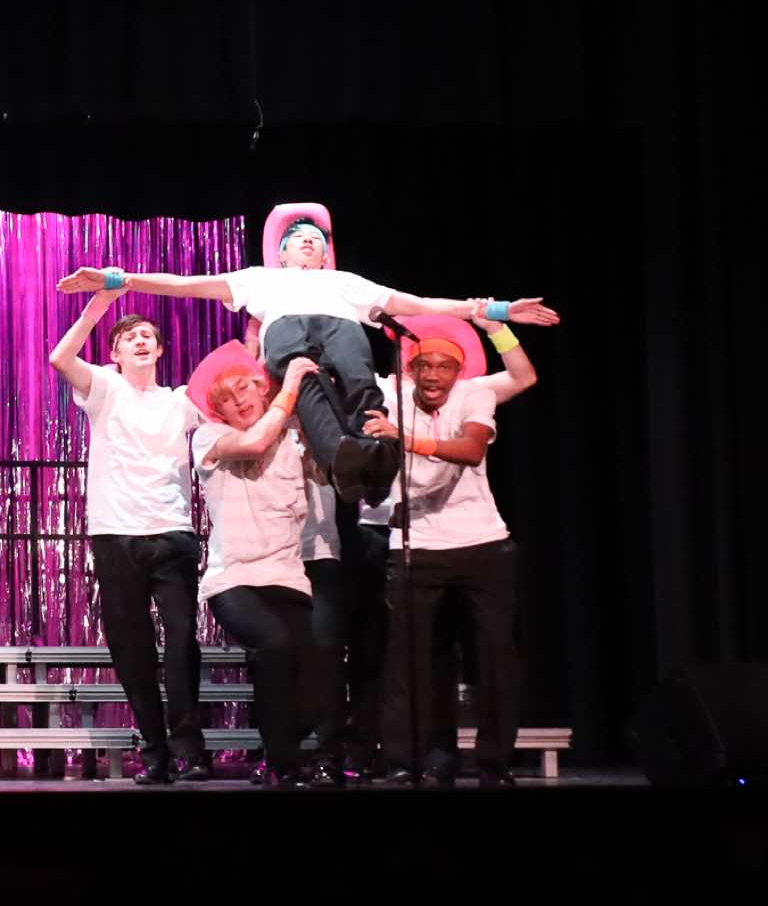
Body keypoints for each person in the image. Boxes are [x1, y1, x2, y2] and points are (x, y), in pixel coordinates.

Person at [58, 202, 557, 503]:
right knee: (309, 386)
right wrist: (120, 279)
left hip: (341, 326)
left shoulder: (346, 282)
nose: (306, 243)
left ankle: (378, 456)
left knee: (358, 379)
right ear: (280, 253)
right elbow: (186, 284)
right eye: (296, 239)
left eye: (315, 240)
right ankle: (340, 458)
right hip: (286, 331)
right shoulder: (260, 279)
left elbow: (421, 304)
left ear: (325, 255)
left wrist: (495, 310)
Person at [47, 281, 207, 784]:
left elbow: (234, 395)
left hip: (172, 533)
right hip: (116, 535)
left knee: (182, 640)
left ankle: (189, 750)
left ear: (159, 351)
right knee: (133, 651)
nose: (140, 341)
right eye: (129, 338)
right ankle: (155, 751)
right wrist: (101, 304)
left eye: (147, 337)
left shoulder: (181, 401)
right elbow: (60, 357)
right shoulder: (105, 388)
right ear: (115, 355)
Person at [364, 314, 526, 788]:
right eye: (424, 366)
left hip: (483, 544)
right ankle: (408, 760)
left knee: (495, 655)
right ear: (410, 369)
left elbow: (472, 449)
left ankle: (495, 764)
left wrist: (497, 325)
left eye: (444, 367)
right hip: (418, 544)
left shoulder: (474, 395)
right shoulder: (391, 396)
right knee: (410, 660)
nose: (433, 376)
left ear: (458, 371)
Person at [186, 344, 338, 788]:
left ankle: (282, 753)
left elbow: (328, 475)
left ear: (260, 389)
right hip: (235, 579)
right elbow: (254, 442)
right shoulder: (209, 438)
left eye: (244, 388)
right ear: (217, 412)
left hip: (289, 577)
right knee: (274, 644)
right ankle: (280, 763)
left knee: (312, 680)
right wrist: (289, 387)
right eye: (227, 398)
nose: (240, 400)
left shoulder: (291, 437)